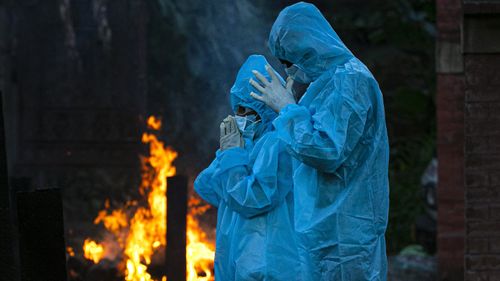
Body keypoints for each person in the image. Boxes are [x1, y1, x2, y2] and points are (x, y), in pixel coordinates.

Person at [250, 2, 390, 280]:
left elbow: (326, 149)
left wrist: (286, 108)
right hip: (324, 228)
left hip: (345, 232)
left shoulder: (351, 81)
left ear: (308, 46)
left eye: (289, 61)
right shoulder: (325, 84)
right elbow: (300, 146)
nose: (290, 71)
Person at [194, 54, 299, 281]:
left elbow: (253, 199)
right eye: (238, 110)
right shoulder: (248, 147)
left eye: (249, 111)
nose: (242, 117)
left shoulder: (280, 143)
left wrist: (232, 156)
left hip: (270, 266)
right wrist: (230, 153)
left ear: (268, 108)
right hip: (241, 262)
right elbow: (206, 186)